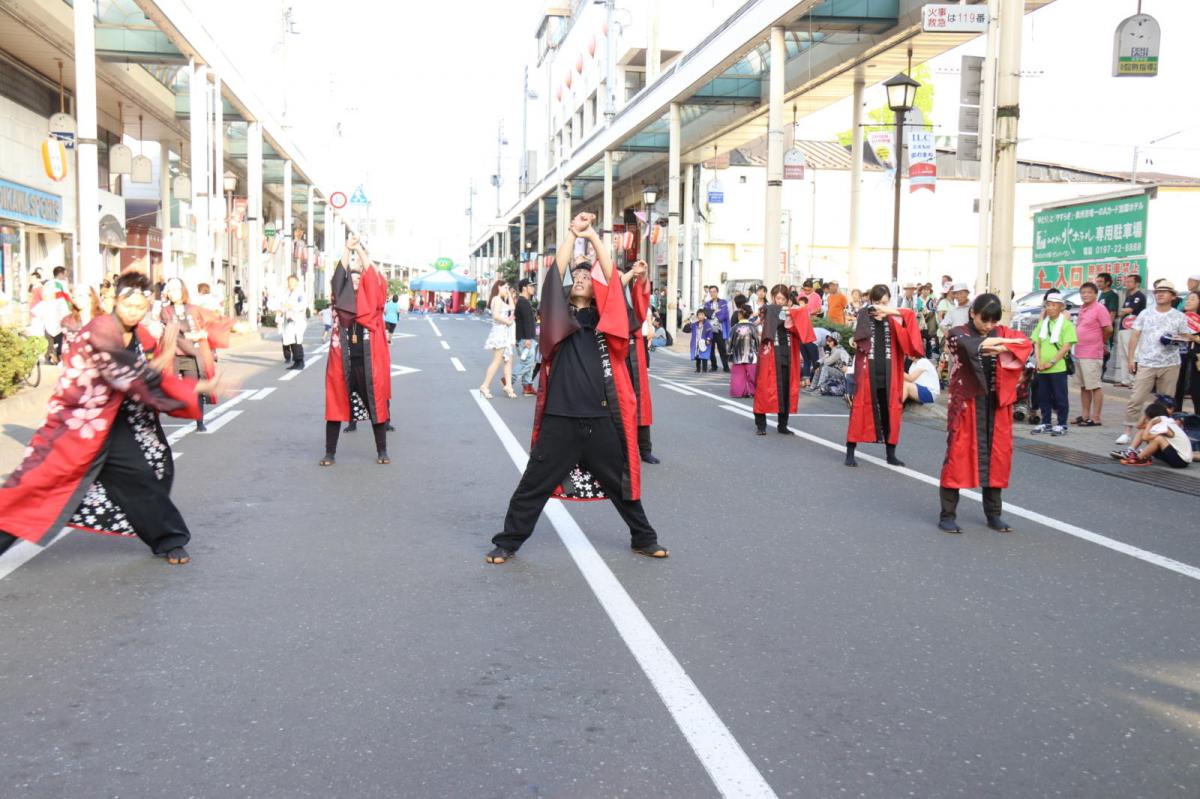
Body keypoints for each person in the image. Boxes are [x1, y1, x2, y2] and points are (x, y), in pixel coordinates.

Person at [0, 271, 222, 565]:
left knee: (140, 479)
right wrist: (193, 385)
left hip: (114, 421)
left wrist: (176, 364)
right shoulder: (101, 328)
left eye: (140, 306)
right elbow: (130, 374)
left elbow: (143, 373)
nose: (134, 311)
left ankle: (169, 540)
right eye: (128, 305)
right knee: (33, 484)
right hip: (79, 424)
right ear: (115, 301)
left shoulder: (136, 333)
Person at [485, 212, 667, 565]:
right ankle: (507, 542)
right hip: (560, 417)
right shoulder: (558, 320)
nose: (582, 278)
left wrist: (596, 238)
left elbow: (614, 281)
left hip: (601, 417)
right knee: (533, 484)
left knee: (621, 485)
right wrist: (572, 233)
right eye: (577, 276)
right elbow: (554, 277)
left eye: (588, 276)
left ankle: (643, 537)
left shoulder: (607, 324)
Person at [938, 293, 1033, 534]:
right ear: (973, 313)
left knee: (996, 457)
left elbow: (1026, 344)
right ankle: (947, 514)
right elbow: (966, 345)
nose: (989, 326)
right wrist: (999, 346)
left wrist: (999, 346)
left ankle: (994, 514)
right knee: (958, 456)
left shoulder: (1001, 332)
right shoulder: (958, 332)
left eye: (993, 322)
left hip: (996, 403)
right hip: (967, 405)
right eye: (984, 320)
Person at [321, 234, 392, 466]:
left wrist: (360, 249)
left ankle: (382, 451)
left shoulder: (372, 308)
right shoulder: (340, 308)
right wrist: (346, 249)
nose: (354, 283)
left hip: (368, 364)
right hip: (342, 363)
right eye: (350, 281)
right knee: (334, 406)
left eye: (358, 280)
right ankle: (329, 453)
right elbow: (337, 278)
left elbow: (372, 276)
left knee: (376, 406)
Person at [844, 284, 924, 467]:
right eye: (877, 302)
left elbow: (910, 321)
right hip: (867, 371)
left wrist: (890, 312)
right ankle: (850, 451)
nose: (880, 307)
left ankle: (891, 453)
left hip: (890, 372)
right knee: (859, 410)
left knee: (891, 412)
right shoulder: (865, 316)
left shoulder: (894, 318)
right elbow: (859, 337)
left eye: (885, 303)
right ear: (871, 301)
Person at [1117, 281, 1198, 446]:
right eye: (1157, 291)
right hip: (1147, 362)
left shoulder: (1179, 316)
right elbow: (1134, 336)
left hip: (1170, 363)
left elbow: (1187, 336)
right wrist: (1132, 359)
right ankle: (1127, 431)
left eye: (1165, 291)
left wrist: (1175, 338)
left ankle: (1160, 433)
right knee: (1136, 398)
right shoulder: (1145, 314)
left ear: (1173, 296)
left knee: (1166, 402)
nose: (1160, 294)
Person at [753, 284, 816, 435]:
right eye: (777, 298)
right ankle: (761, 425)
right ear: (773, 298)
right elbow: (759, 318)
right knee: (764, 389)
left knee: (786, 390)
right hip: (770, 356)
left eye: (783, 298)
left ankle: (783, 425)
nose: (780, 301)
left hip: (788, 354)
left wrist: (792, 314)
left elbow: (803, 328)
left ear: (787, 299)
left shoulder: (792, 312)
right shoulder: (768, 310)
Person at [160, 277, 220, 432]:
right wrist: (189, 336)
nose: (173, 293)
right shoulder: (165, 311)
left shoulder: (193, 309)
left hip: (191, 354)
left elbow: (211, 321)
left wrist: (203, 333)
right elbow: (171, 331)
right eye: (170, 290)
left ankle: (199, 420)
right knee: (167, 389)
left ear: (182, 291)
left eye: (176, 289)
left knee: (195, 388)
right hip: (172, 355)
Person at [623, 261, 658, 464]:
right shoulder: (606, 297)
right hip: (611, 352)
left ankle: (644, 449)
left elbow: (641, 298)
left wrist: (641, 276)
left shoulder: (630, 300)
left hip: (633, 349)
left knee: (640, 400)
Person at [1029, 292, 1077, 436]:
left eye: (1053, 305)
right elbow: (1036, 342)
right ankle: (1046, 422)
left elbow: (1066, 346)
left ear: (1061, 307)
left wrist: (1051, 362)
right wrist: (1038, 360)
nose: (1050, 308)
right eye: (1048, 305)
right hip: (1042, 367)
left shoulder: (1067, 325)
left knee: (1060, 396)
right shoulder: (1043, 324)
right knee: (1043, 396)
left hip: (1058, 367)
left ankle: (1062, 424)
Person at [1072, 281, 1113, 426]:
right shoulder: (1083, 308)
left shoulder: (1100, 308)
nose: (1086, 295)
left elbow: (1108, 329)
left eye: (1089, 292)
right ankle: (1085, 415)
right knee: (1084, 386)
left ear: (1096, 294)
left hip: (1092, 353)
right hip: (1080, 352)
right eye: (1083, 292)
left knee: (1094, 385)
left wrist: (1101, 342)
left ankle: (1096, 417)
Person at [1114, 402, 1192, 468]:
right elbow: (1139, 426)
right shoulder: (1164, 420)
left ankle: (1140, 458)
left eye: (1147, 417)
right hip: (1176, 456)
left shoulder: (1163, 424)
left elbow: (1145, 437)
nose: (1146, 419)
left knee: (1158, 438)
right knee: (1145, 431)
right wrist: (1146, 414)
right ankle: (1131, 451)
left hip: (1180, 461)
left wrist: (1151, 422)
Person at [478, 279, 517, 399]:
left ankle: (509, 386)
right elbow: (495, 315)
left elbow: (512, 308)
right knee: (497, 361)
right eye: (505, 287)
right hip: (500, 332)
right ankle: (485, 386)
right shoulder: (496, 299)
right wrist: (508, 322)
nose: (507, 289)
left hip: (505, 333)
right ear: (499, 287)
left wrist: (509, 294)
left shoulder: (503, 300)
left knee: (508, 361)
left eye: (507, 287)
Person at [1113, 273, 1146, 386]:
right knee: (1122, 354)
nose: (1127, 284)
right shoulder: (1129, 296)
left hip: (1132, 328)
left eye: (1130, 281)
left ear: (1137, 283)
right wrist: (1122, 311)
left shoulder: (1139, 296)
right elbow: (1124, 310)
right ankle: (1125, 380)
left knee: (1131, 353)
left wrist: (1122, 311)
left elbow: (1129, 310)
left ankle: (1134, 380)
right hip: (1123, 326)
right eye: (1126, 282)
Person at [1174, 290, 1200, 414]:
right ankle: (1176, 417)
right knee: (1176, 389)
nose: (1188, 301)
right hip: (1178, 357)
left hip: (1196, 360)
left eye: (1193, 299)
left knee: (1196, 391)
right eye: (1187, 299)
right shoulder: (1177, 317)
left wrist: (1193, 337)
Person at [513, 278, 538, 396]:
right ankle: (508, 380)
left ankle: (527, 386)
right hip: (525, 338)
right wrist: (528, 339)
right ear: (524, 288)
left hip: (526, 337)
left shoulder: (524, 301)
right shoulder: (523, 302)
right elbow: (527, 322)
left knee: (530, 361)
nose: (533, 288)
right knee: (527, 362)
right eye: (531, 286)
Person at [727, 306, 759, 398]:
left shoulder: (734, 327)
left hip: (737, 356)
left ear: (740, 315)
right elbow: (756, 341)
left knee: (738, 376)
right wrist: (757, 351)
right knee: (752, 376)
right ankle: (752, 391)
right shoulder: (752, 327)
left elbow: (730, 342)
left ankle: (739, 392)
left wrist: (729, 353)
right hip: (751, 355)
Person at [280, 274, 307, 369]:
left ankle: (301, 362)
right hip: (289, 321)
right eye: (289, 282)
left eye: (292, 282)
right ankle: (296, 362)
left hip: (297, 320)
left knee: (297, 341)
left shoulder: (300, 293)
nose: (290, 284)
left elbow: (302, 305)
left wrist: (291, 306)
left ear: (296, 282)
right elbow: (282, 304)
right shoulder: (287, 293)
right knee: (291, 341)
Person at [703, 285, 731, 372]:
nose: (712, 293)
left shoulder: (723, 302)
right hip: (710, 330)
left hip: (720, 329)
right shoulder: (707, 303)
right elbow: (706, 313)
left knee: (722, 349)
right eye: (710, 292)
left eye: (714, 291)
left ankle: (726, 367)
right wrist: (715, 312)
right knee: (710, 349)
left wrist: (712, 313)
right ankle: (714, 366)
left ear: (717, 292)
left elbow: (723, 315)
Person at [682, 308, 714, 372]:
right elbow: (685, 330)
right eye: (699, 315)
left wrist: (708, 339)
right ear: (697, 316)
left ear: (704, 315)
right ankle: (698, 369)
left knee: (704, 356)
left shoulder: (707, 324)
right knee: (697, 356)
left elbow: (710, 333)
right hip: (696, 342)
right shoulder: (694, 324)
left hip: (704, 342)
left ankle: (704, 369)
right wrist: (688, 322)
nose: (700, 316)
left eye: (702, 315)